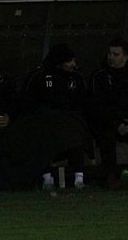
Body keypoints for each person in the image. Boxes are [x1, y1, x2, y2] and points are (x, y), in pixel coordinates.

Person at [21, 43, 89, 188]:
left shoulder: (77, 78)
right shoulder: (38, 76)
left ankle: (79, 178)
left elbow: (83, 104)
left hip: (69, 122)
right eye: (69, 61)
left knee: (76, 130)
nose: (73, 64)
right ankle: (47, 178)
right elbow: (27, 104)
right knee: (41, 133)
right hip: (44, 123)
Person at [87, 38, 128, 187]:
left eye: (116, 54)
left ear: (125, 57)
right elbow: (98, 107)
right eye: (110, 53)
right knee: (106, 138)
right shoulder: (99, 77)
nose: (111, 57)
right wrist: (116, 124)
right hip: (108, 123)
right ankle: (111, 177)